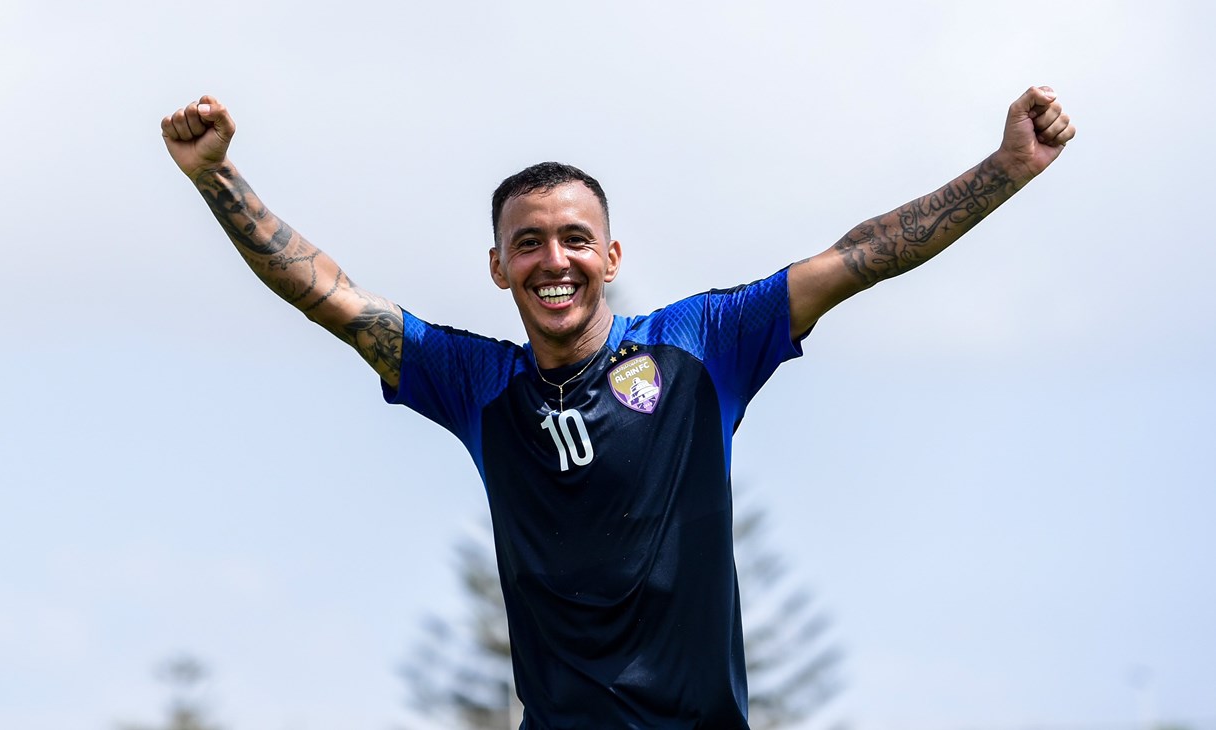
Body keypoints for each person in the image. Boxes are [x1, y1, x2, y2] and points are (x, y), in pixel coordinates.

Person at [161, 86, 1075, 729]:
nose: (553, 260)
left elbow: (863, 254)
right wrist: (215, 175)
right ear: (498, 267)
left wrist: (1006, 168)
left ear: (611, 255)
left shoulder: (702, 345)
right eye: (528, 243)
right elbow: (332, 296)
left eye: (575, 238)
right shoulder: (476, 384)